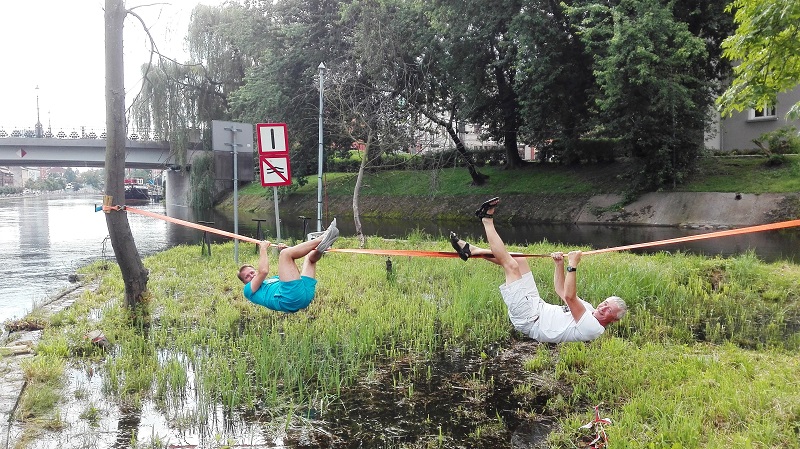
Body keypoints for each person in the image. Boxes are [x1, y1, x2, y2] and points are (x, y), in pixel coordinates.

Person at [450, 198, 627, 343]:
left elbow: (570, 297)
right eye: (605, 303)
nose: (603, 307)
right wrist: (559, 264)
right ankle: (472, 251)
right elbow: (562, 292)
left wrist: (572, 265)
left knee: (511, 267)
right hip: (537, 305)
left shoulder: (593, 328)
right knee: (519, 258)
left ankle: (486, 220)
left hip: (529, 319)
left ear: (614, 320)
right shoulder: (588, 309)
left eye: (608, 309)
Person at [237, 218, 340, 313]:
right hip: (288, 299)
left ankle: (320, 249)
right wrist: (263, 248)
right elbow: (263, 271)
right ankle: (322, 238)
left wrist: (288, 251)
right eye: (247, 276)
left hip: (304, 294)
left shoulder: (273, 280)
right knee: (285, 255)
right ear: (244, 282)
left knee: (309, 259)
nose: (251, 276)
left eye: (251, 272)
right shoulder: (248, 291)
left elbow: (295, 275)